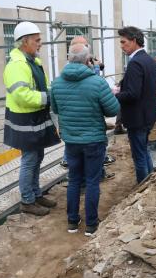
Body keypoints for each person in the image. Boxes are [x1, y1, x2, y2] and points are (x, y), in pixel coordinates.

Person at [51, 43, 119, 235]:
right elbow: (113, 110)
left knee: (73, 180)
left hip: (71, 140)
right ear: (88, 60)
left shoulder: (57, 83)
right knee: (91, 181)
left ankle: (72, 221)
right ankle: (91, 224)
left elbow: (56, 109)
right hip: (93, 140)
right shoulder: (96, 82)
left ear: (69, 59)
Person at [3, 21, 60, 216]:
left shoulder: (32, 61)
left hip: (35, 116)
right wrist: (49, 98)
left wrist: (53, 92)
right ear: (24, 42)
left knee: (38, 156)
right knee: (30, 158)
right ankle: (27, 200)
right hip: (24, 119)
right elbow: (22, 95)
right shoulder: (17, 65)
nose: (40, 44)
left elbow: (42, 86)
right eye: (37, 40)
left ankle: (36, 194)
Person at [114, 26, 156, 184]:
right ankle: (150, 183)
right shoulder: (149, 60)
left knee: (139, 156)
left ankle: (143, 186)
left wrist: (115, 94)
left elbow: (133, 94)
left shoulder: (135, 63)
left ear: (134, 41)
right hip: (148, 115)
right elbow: (144, 87)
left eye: (123, 42)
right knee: (144, 150)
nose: (121, 45)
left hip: (137, 118)